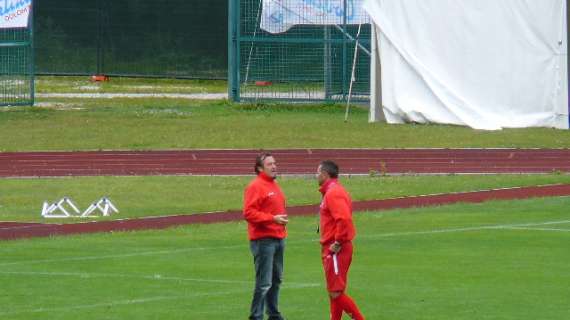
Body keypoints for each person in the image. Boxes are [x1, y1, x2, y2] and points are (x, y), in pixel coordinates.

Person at [316, 160, 365, 320]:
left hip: (336, 249)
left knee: (335, 293)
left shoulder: (333, 193)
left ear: (324, 174)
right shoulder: (333, 191)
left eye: (317, 173)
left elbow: (343, 219)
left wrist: (337, 242)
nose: (316, 176)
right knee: (335, 292)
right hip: (334, 247)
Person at [243, 152, 289, 320]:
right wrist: (272, 219)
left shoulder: (274, 185)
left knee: (276, 280)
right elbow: (248, 213)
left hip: (278, 238)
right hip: (263, 241)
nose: (274, 166)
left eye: (274, 163)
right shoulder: (255, 186)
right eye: (269, 164)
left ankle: (273, 314)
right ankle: (256, 316)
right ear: (260, 168)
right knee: (264, 283)